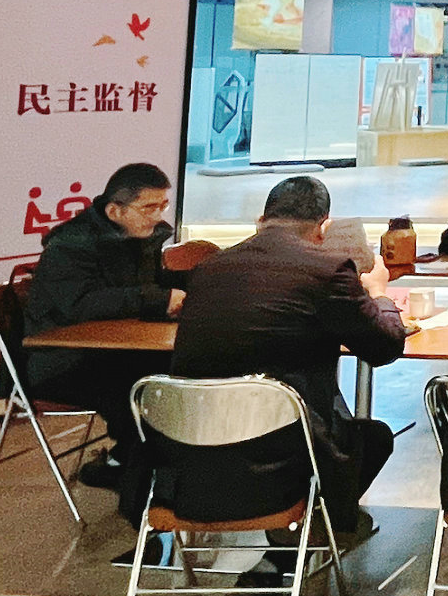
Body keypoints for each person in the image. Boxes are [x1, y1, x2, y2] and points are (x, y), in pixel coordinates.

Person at [169, 176, 403, 541]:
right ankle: (312, 532)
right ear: (323, 227)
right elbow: (383, 347)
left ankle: (297, 537)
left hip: (186, 452)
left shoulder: (208, 268)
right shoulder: (328, 269)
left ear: (261, 220)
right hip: (277, 454)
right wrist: (380, 293)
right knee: (373, 438)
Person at [24, 162, 188, 496]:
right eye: (148, 208)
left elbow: (149, 286)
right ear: (115, 210)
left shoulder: (139, 236)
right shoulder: (70, 245)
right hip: (59, 360)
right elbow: (81, 305)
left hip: (114, 351)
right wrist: (157, 300)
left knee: (178, 371)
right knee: (142, 387)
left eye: (162, 206)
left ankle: (145, 466)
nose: (158, 216)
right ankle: (137, 478)